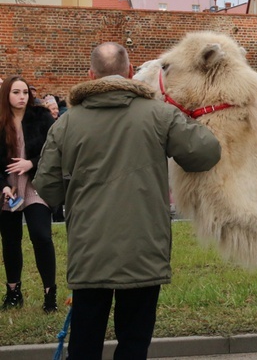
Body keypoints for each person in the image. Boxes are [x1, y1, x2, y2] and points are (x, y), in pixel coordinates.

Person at [33, 42, 221, 360]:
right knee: (134, 342)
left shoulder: (66, 123)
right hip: (144, 246)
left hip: (89, 248)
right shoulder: (161, 115)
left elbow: (48, 189)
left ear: (91, 75)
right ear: (131, 73)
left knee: (85, 341)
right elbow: (206, 153)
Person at [0, 75, 57, 312]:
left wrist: (30, 163)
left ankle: (49, 294)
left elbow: (54, 150)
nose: (22, 97)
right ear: (6, 94)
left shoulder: (41, 117)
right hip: (8, 187)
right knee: (10, 240)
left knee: (41, 236)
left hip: (36, 183)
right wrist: (3, 184)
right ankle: (13, 292)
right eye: (16, 92)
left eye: (25, 92)